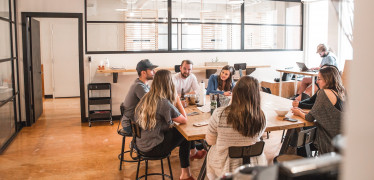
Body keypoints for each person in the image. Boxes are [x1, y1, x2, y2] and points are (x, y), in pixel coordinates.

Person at [134, 70, 195, 180]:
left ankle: (193, 153)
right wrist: (177, 99)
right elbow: (184, 119)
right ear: (169, 83)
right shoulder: (163, 102)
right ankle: (186, 172)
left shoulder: (147, 97)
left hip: (141, 144)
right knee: (185, 135)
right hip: (154, 147)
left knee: (179, 132)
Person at [206, 76, 267, 180]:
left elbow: (210, 141)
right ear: (256, 95)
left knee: (212, 149)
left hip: (226, 166)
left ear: (235, 92)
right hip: (254, 164)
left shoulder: (220, 113)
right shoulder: (261, 116)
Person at [291, 66, 345, 154]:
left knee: (299, 139)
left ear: (327, 80)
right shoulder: (341, 92)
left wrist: (298, 112)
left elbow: (309, 118)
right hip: (341, 139)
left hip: (328, 140)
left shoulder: (323, 93)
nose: (316, 81)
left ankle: (302, 163)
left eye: (319, 79)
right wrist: (302, 111)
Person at [173, 60, 207, 161]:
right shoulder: (174, 78)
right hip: (176, 106)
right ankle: (193, 150)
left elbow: (198, 91)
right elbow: (172, 95)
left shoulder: (192, 77)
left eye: (189, 69)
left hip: (187, 104)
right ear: (180, 68)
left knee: (194, 120)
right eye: (185, 68)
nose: (187, 71)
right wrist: (188, 94)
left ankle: (193, 150)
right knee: (186, 123)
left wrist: (184, 95)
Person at [120, 59, 158, 134]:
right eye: (151, 70)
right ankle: (139, 144)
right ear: (143, 73)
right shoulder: (139, 86)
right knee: (163, 128)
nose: (154, 72)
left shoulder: (143, 85)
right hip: (131, 125)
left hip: (136, 122)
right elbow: (154, 104)